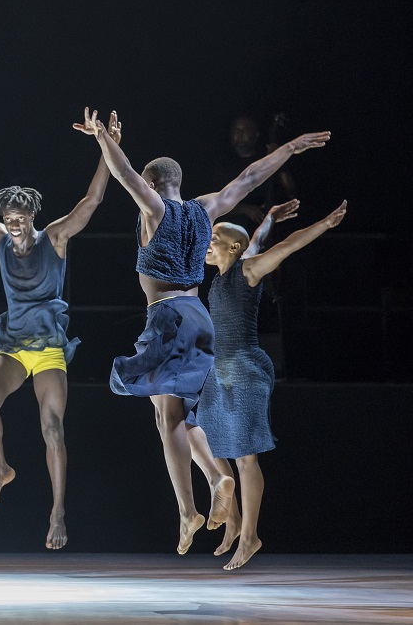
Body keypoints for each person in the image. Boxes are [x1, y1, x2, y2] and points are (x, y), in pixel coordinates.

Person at [74, 107, 330, 553]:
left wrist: (103, 140)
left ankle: (187, 510)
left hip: (168, 317)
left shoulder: (155, 207)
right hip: (200, 320)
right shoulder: (204, 209)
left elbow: (124, 173)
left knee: (166, 416)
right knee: (178, 412)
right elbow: (249, 179)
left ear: (154, 186)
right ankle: (216, 476)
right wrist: (290, 147)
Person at [0, 117, 120, 550]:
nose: (13, 224)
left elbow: (90, 202)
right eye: (8, 218)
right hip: (14, 346)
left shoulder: (54, 238)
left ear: (32, 215)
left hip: (50, 348)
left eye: (19, 218)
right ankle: (1, 468)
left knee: (52, 428)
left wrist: (107, 148)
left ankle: (57, 513)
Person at [198, 199, 347, 570]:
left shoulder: (248, 270)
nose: (208, 241)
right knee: (206, 438)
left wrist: (324, 223)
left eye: (215, 237)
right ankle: (232, 519)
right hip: (219, 370)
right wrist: (266, 220)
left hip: (246, 369)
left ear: (233, 248)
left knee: (245, 457)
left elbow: (284, 247)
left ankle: (250, 536)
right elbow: (255, 240)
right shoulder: (225, 272)